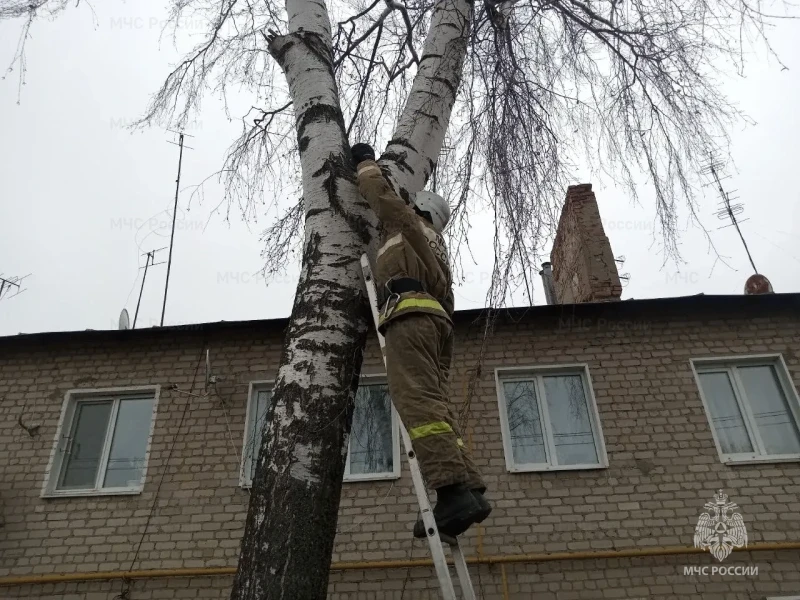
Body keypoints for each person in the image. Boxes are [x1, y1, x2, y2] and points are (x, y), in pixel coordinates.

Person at [351, 142, 491, 539]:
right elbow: (446, 308)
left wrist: (364, 162)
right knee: (438, 404)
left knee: (416, 403)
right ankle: (471, 488)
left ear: (419, 208)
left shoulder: (406, 225)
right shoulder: (438, 249)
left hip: (408, 318)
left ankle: (450, 491)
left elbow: (380, 196)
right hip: (436, 323)